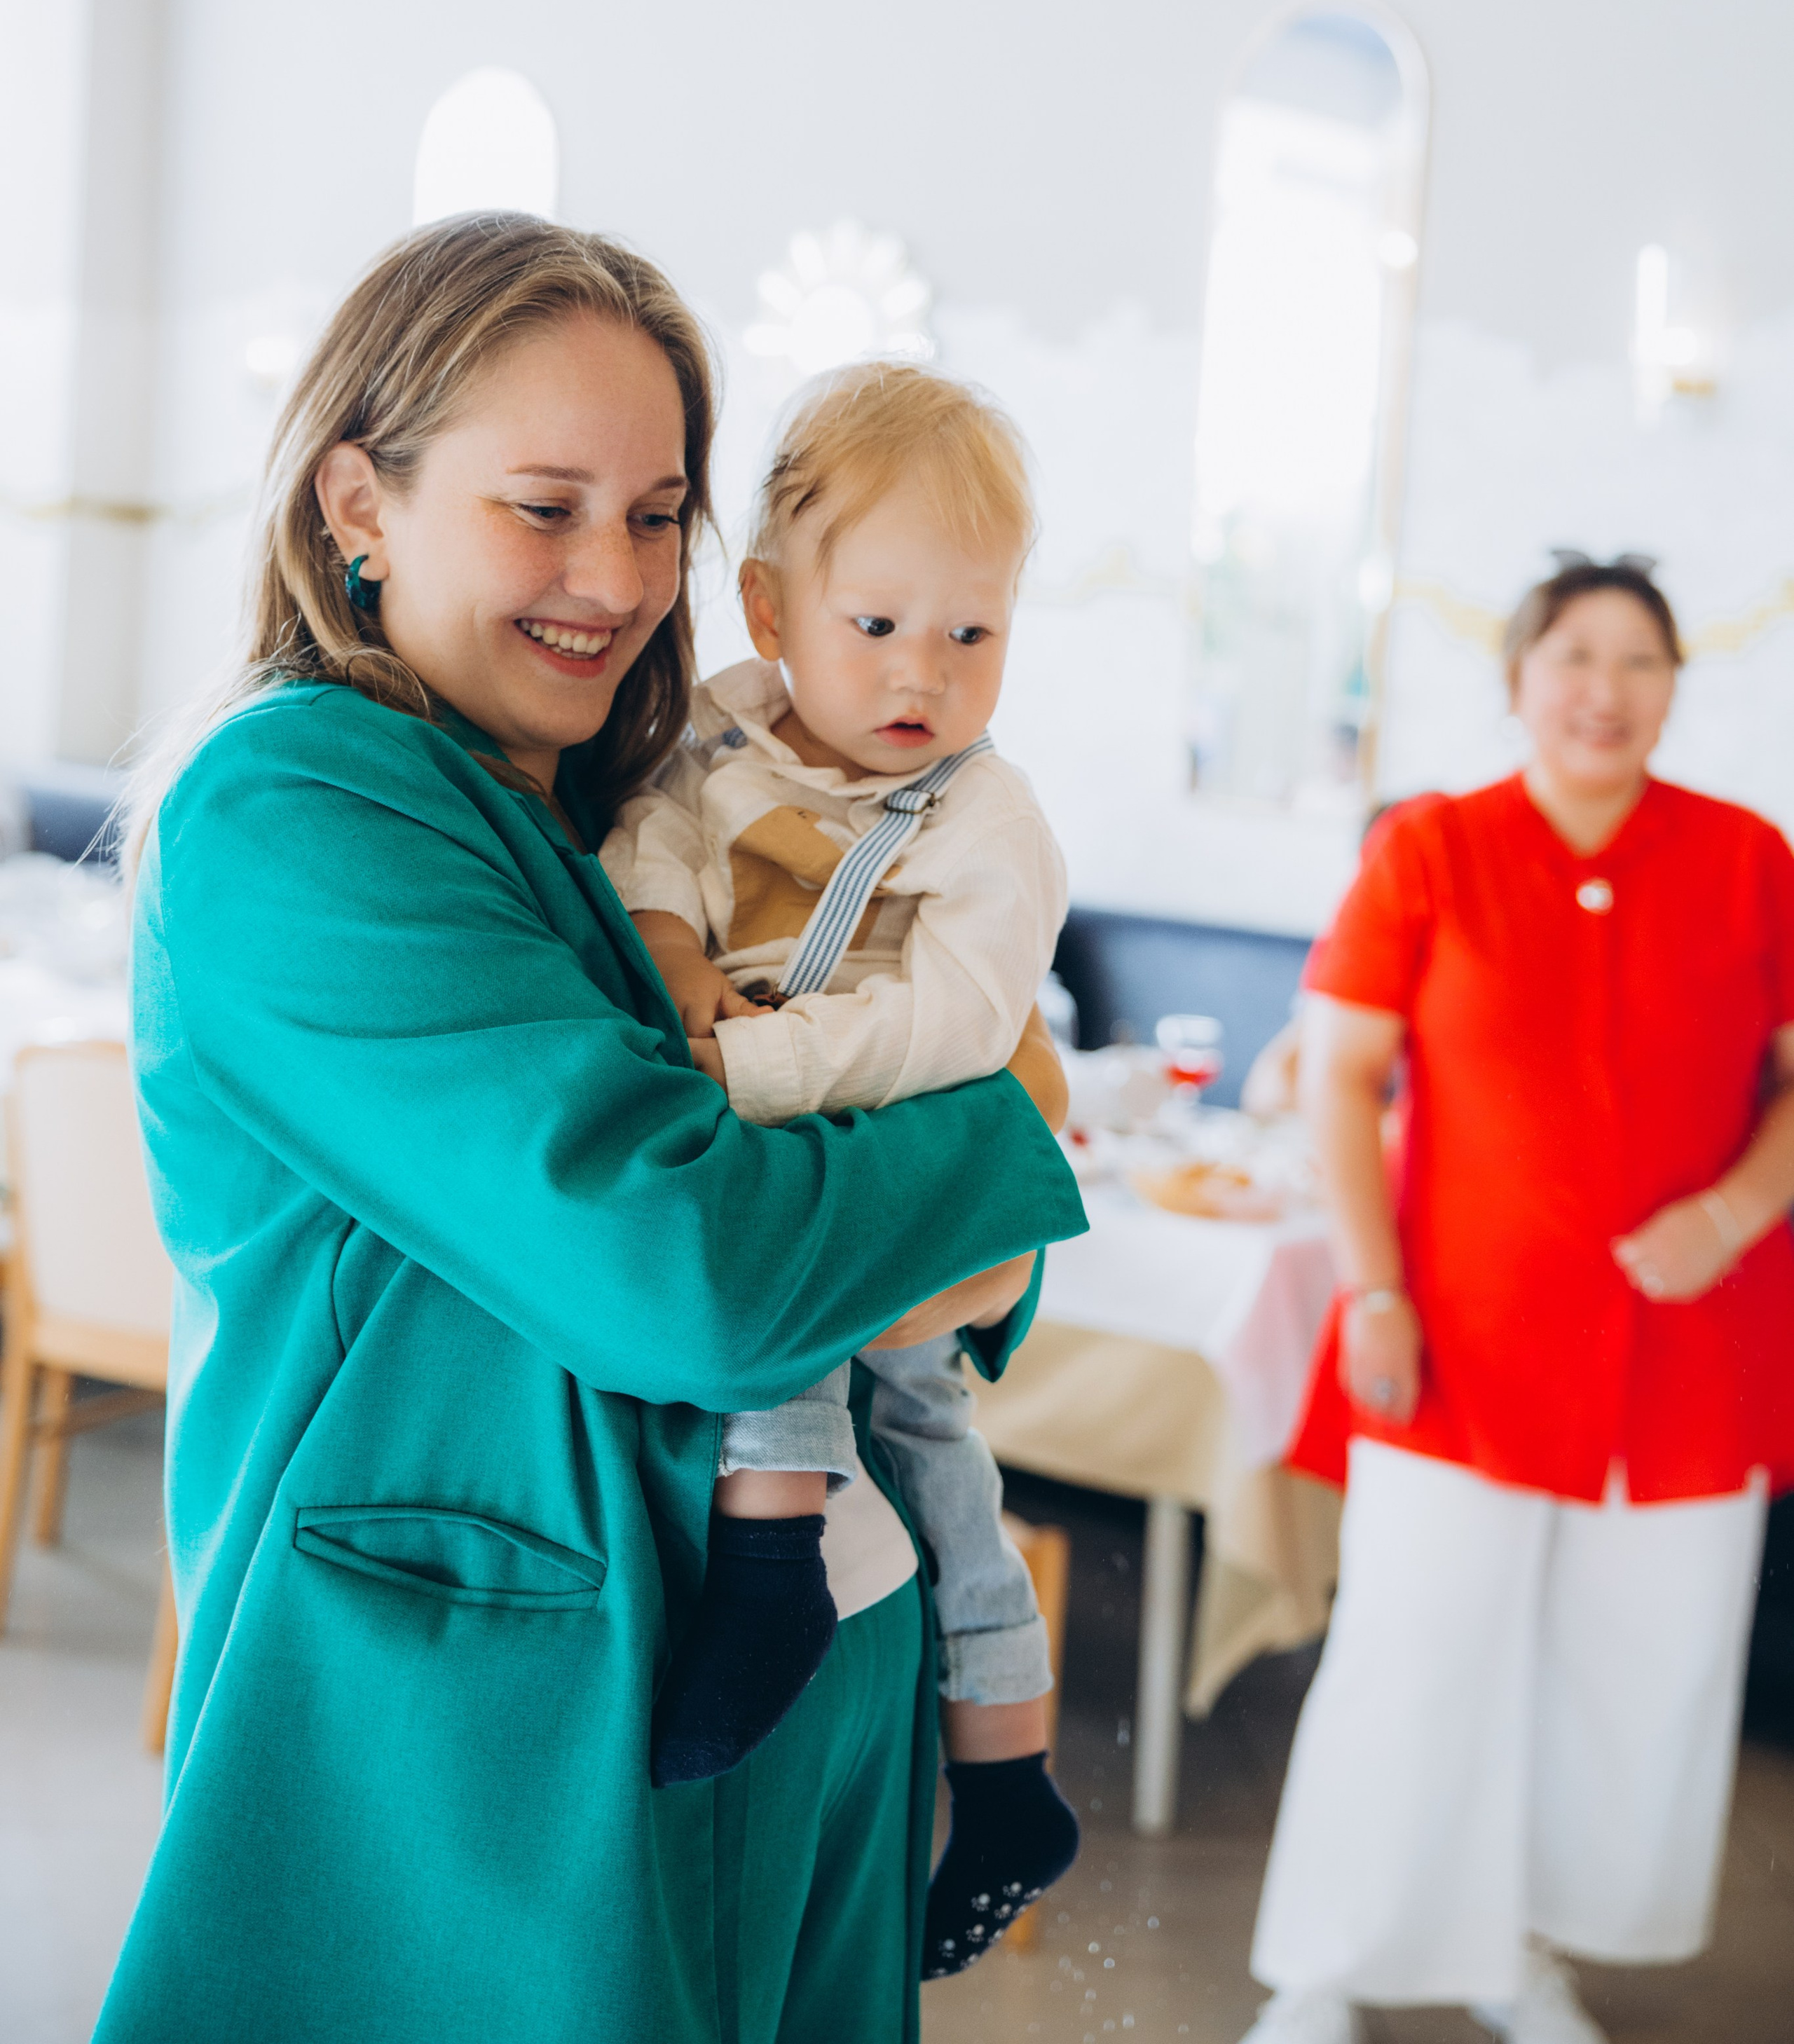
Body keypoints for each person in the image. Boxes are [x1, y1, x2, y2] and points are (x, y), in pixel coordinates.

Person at [95, 217, 1086, 2044]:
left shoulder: (637, 802)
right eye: (544, 506)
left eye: (655, 515)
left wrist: (971, 1213)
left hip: (790, 1679)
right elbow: (684, 1263)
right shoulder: (298, 807)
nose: (614, 577)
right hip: (485, 1722)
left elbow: (938, 1263)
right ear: (358, 503)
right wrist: (1014, 1139)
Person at [1241, 556, 1794, 2044]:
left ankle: (1517, 1956)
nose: (1602, 690)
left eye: (1636, 661)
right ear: (1515, 680)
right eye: (1572, 655)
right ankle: (1326, 1968)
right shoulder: (1432, 853)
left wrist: (1733, 1209)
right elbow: (1341, 1076)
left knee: (1629, 1671)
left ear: (1674, 687)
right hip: (1456, 1332)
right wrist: (1371, 1287)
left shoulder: (1750, 859)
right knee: (1411, 1654)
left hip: (1688, 1342)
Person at [603, 364, 1080, 1966]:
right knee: (927, 1447)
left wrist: (752, 1065)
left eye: (971, 635)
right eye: (875, 625)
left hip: (868, 1128)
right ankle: (999, 1775)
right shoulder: (726, 729)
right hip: (805, 1122)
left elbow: (960, 1024)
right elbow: (656, 828)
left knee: (924, 1427)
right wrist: (670, 941)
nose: (920, 676)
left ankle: (790, 1584)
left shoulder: (987, 820)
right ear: (766, 604)